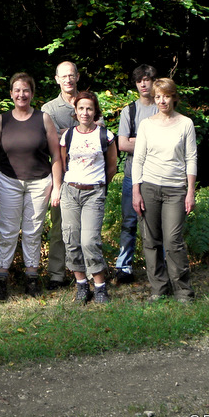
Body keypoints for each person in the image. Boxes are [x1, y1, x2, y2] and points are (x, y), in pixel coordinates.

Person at [0, 72, 62, 300]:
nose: (22, 94)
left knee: (33, 231)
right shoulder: (2, 120)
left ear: (32, 93)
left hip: (40, 182)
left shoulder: (43, 119)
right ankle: (1, 278)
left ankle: (31, 277)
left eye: (26, 90)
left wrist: (57, 186)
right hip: (7, 181)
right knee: (7, 230)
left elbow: (56, 154)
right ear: (11, 93)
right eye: (17, 90)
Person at [132, 78, 197, 303]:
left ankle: (183, 291)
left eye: (166, 96)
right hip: (149, 186)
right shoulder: (147, 125)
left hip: (176, 189)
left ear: (174, 97)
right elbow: (138, 159)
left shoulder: (185, 123)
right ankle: (159, 288)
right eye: (158, 96)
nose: (162, 100)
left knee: (173, 240)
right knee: (150, 240)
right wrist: (136, 191)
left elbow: (191, 158)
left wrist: (190, 191)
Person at [60, 91, 117, 304]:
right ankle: (82, 285)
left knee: (90, 240)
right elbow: (63, 163)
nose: (85, 112)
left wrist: (99, 186)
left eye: (89, 108)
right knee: (71, 239)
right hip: (70, 192)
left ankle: (100, 287)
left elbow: (111, 167)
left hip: (94, 192)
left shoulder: (105, 136)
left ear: (95, 112)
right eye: (81, 108)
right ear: (75, 111)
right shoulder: (68, 136)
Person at [115, 65, 164, 284]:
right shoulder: (130, 111)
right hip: (131, 176)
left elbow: (169, 143)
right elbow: (123, 144)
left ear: (155, 81)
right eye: (139, 81)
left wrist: (139, 142)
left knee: (157, 224)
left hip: (159, 176)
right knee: (129, 222)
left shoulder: (162, 107)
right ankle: (123, 267)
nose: (143, 84)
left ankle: (160, 267)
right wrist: (151, 142)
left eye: (147, 79)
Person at [40, 61, 80, 290]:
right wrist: (81, 131)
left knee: (84, 228)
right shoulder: (49, 109)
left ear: (77, 76)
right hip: (60, 176)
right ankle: (56, 274)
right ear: (57, 79)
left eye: (71, 75)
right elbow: (51, 141)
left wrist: (66, 133)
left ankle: (83, 271)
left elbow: (101, 134)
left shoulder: (88, 101)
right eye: (63, 76)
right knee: (59, 227)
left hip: (88, 176)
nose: (68, 80)